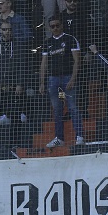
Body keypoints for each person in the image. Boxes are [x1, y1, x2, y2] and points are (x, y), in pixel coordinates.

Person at [38, 17, 84, 149]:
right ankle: (59, 138)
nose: (55, 28)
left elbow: (77, 61)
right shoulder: (47, 43)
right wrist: (42, 82)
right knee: (57, 108)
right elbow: (43, 63)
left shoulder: (70, 39)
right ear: (49, 28)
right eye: (52, 26)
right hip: (53, 80)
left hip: (67, 78)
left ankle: (79, 136)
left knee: (72, 107)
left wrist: (73, 79)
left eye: (57, 25)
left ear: (62, 25)